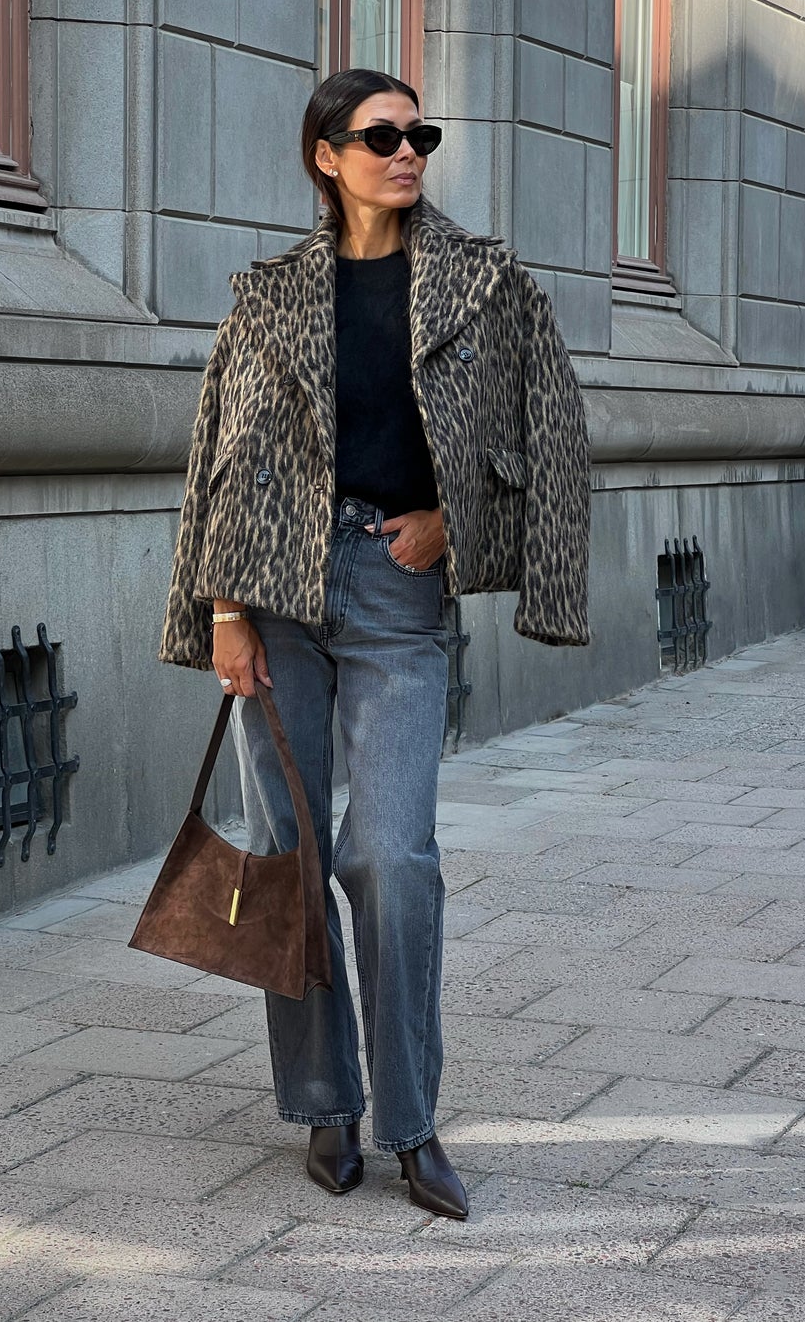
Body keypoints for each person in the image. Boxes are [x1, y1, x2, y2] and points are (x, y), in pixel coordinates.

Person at [159, 67, 590, 1219]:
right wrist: (223, 611)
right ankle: (325, 1101)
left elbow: (548, 426)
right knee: (289, 850)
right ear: (327, 155)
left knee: (392, 857)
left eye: (420, 136)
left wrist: (455, 516)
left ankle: (410, 1119)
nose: (408, 153)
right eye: (383, 136)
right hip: (276, 593)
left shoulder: (484, 283)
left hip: (397, 587)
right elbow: (223, 451)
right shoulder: (269, 293)